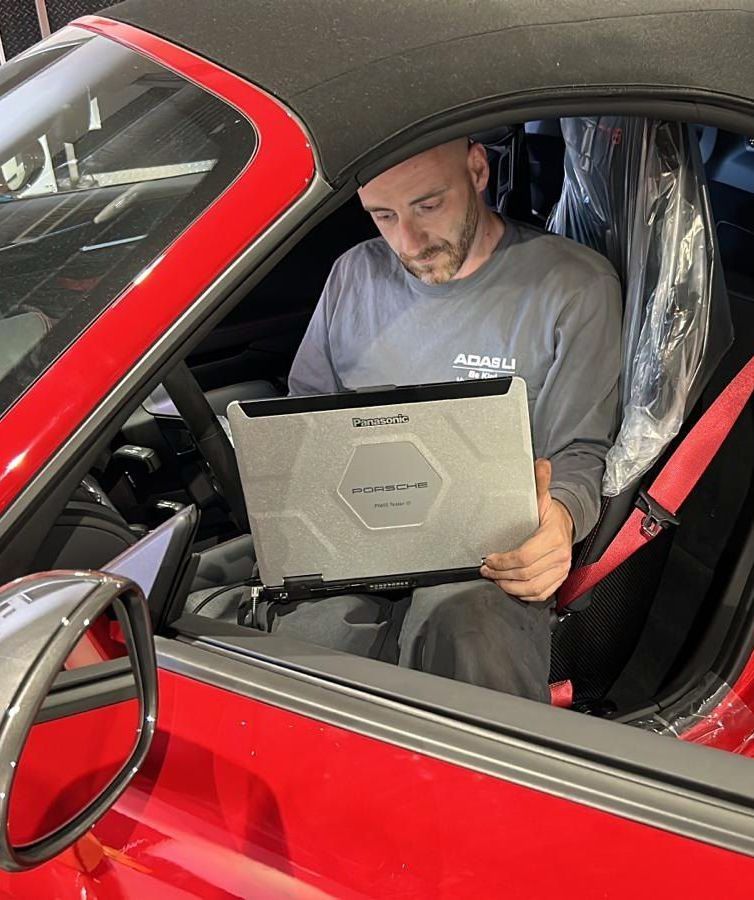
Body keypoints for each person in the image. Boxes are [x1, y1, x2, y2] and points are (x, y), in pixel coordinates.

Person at [252, 137, 622, 702]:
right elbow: (303, 421)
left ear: (477, 170)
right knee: (280, 643)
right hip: (354, 531)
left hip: (484, 553)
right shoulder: (354, 274)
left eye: (428, 206)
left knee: (464, 629)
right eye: (383, 215)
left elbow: (580, 450)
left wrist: (562, 523)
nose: (408, 241)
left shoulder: (574, 286)